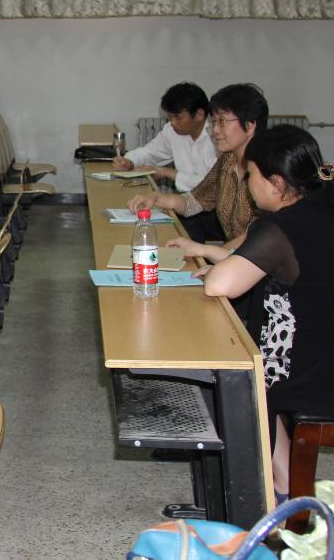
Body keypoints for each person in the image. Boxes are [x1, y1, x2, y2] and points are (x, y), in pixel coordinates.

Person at [194, 125, 334, 503]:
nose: (247, 183)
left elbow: (219, 284)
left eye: (251, 175)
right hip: (324, 348)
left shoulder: (282, 226)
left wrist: (222, 269)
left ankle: (273, 485)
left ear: (276, 183)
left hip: (315, 374)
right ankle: (286, 477)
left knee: (238, 373)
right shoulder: (323, 206)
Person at [129, 83, 269, 253]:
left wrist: (207, 252)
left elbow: (262, 233)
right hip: (232, 257)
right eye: (214, 121)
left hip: (258, 261)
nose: (215, 130)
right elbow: (197, 200)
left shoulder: (268, 169)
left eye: (222, 121)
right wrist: (157, 198)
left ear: (250, 125)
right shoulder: (227, 160)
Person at [113, 82, 217, 192]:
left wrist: (167, 172)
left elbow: (214, 186)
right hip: (187, 199)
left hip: (213, 201)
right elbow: (150, 153)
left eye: (178, 117)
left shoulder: (219, 137)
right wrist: (130, 161)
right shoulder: (172, 130)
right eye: (170, 117)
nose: (173, 123)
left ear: (199, 115)